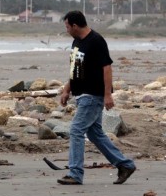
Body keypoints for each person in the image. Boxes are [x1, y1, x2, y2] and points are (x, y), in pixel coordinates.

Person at [57, 10, 136, 185]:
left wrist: (107, 95)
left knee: (76, 130)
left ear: (75, 26)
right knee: (95, 134)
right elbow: (75, 68)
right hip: (81, 94)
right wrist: (66, 89)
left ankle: (75, 174)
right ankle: (125, 165)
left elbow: (107, 68)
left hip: (92, 95)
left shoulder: (96, 41)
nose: (67, 30)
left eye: (67, 26)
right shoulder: (77, 41)